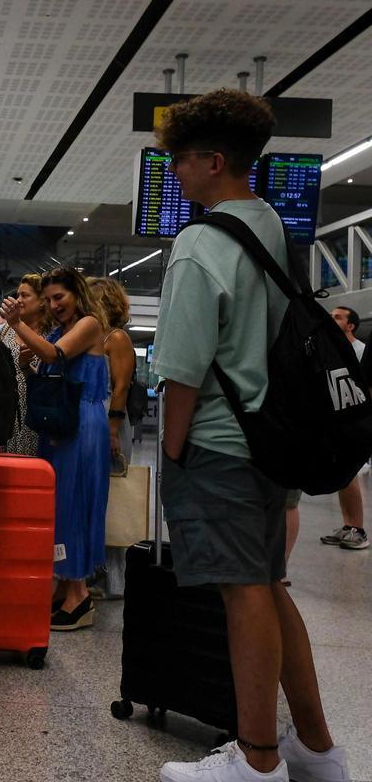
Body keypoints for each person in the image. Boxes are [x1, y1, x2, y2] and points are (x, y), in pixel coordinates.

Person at [152, 89, 349, 782]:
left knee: (244, 593)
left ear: (213, 161)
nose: (172, 171)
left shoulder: (201, 243)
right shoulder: (272, 228)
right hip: (273, 443)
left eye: (178, 159)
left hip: (219, 446)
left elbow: (180, 369)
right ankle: (318, 750)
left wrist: (172, 455)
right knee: (270, 584)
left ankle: (259, 761)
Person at [0, 266, 109, 631]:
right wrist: (28, 368)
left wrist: (18, 327)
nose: (53, 305)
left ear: (77, 293)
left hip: (81, 426)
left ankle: (79, 592)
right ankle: (67, 585)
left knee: (75, 501)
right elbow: (46, 366)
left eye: (59, 297)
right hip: (62, 425)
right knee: (61, 504)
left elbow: (54, 355)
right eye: (48, 299)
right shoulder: (60, 330)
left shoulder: (90, 324)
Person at [87, 276, 138, 599]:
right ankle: (96, 572)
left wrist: (113, 428)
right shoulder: (93, 336)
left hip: (110, 419)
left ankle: (113, 578)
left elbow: (121, 386)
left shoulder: (116, 338)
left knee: (111, 497)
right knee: (97, 496)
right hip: (97, 417)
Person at [320, 307, 368, 551]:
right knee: (344, 475)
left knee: (351, 475)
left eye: (338, 317)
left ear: (351, 326)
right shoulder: (331, 348)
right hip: (340, 421)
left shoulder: (361, 351)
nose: (332, 319)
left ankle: (357, 529)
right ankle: (349, 525)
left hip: (358, 422)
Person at [0, 273, 46, 456]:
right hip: (8, 412)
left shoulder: (50, 336)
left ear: (42, 301)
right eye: (18, 295)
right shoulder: (6, 330)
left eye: (25, 296)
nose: (18, 301)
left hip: (36, 412)